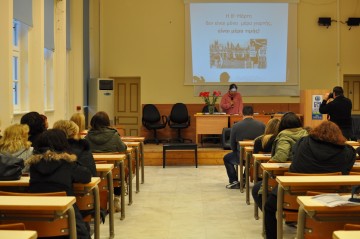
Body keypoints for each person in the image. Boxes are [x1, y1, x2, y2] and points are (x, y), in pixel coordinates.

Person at [263, 121, 356, 239]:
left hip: (294, 195)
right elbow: (347, 169)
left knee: (269, 206)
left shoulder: (304, 142)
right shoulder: (347, 152)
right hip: (330, 197)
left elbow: (294, 154)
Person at [26, 129, 92, 239]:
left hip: (38, 218)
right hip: (65, 215)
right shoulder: (67, 163)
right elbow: (86, 177)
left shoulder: (34, 165)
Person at [252, 112, 308, 209]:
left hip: (286, 175)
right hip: (305, 175)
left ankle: (271, 216)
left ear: (282, 125)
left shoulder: (284, 136)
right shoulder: (307, 134)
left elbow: (281, 156)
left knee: (257, 189)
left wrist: (271, 162)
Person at [85, 111, 127, 211]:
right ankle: (116, 198)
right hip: (113, 172)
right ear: (107, 122)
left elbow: (84, 151)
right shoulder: (114, 134)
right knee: (121, 171)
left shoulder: (87, 137)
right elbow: (122, 148)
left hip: (93, 171)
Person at [224, 106, 265, 189]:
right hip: (258, 157)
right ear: (253, 114)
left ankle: (234, 181)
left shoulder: (236, 126)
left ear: (242, 113)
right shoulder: (262, 125)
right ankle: (245, 176)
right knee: (250, 161)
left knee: (227, 158)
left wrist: (236, 151)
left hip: (241, 156)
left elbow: (232, 145)